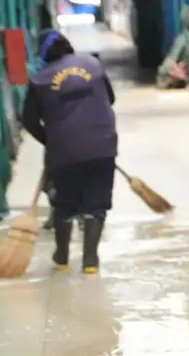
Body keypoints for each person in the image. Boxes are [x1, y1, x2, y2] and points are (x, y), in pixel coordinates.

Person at [22, 29, 118, 275]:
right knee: (96, 203)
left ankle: (62, 257)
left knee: (65, 202)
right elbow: (110, 98)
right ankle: (90, 260)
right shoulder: (93, 65)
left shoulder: (39, 80)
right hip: (103, 145)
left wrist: (50, 140)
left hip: (64, 151)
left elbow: (29, 120)